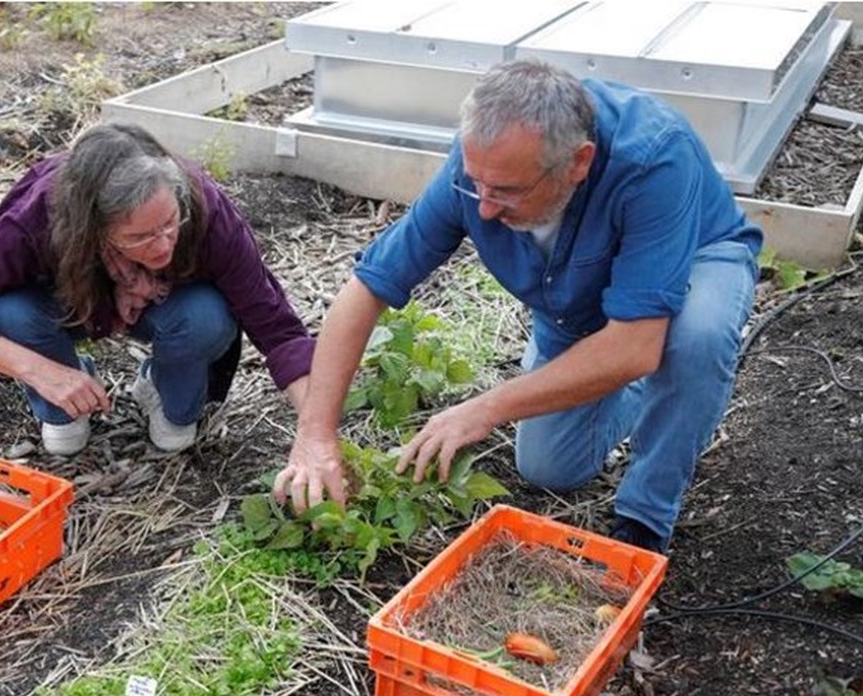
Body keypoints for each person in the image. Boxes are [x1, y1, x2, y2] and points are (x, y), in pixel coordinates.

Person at [273, 59, 763, 554]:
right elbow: (366, 290)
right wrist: (315, 436)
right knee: (551, 468)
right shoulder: (480, 170)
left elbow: (634, 347)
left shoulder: (653, 157)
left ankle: (644, 518)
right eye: (475, 184)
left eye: (505, 191)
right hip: (578, 298)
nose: (483, 208)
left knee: (695, 337)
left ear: (579, 162)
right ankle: (632, 384)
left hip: (699, 256)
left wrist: (485, 408)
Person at [0, 122, 314, 455]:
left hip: (169, 311)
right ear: (94, 228)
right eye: (140, 236)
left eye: (170, 223)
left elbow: (277, 329)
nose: (162, 245)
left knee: (180, 416)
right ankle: (65, 400)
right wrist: (42, 373)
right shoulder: (37, 216)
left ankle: (161, 386)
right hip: (67, 308)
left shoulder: (204, 205)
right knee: (12, 316)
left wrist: (316, 435)